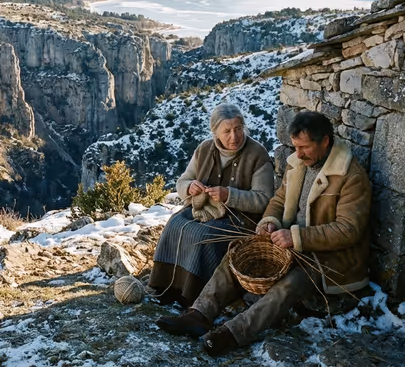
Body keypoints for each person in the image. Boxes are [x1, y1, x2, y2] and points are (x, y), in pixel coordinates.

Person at [155, 110, 372, 357]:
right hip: (291, 244)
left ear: (325, 141)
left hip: (327, 260)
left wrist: (296, 237)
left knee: (291, 283)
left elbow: (349, 230)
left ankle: (233, 333)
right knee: (236, 256)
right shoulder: (299, 165)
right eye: (295, 147)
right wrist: (270, 221)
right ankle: (199, 313)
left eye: (304, 147)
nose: (298, 154)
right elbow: (278, 201)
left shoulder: (351, 177)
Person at [148, 103, 274, 307]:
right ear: (215, 131)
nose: (234, 136)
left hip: (240, 220)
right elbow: (182, 181)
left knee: (203, 236)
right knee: (175, 223)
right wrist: (190, 187)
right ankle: (165, 286)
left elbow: (264, 199)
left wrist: (229, 195)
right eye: (227, 131)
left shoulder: (257, 154)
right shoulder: (204, 149)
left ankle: (193, 294)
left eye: (238, 129)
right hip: (206, 210)